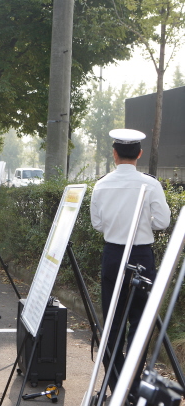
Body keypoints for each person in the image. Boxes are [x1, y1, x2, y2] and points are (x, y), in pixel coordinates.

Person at [90, 128, 171, 400]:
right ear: (139, 154)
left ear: (114, 154)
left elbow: (97, 225)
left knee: (112, 321)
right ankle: (133, 385)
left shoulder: (101, 185)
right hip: (142, 256)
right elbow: (163, 222)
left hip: (113, 255)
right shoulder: (150, 184)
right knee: (139, 322)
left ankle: (116, 387)